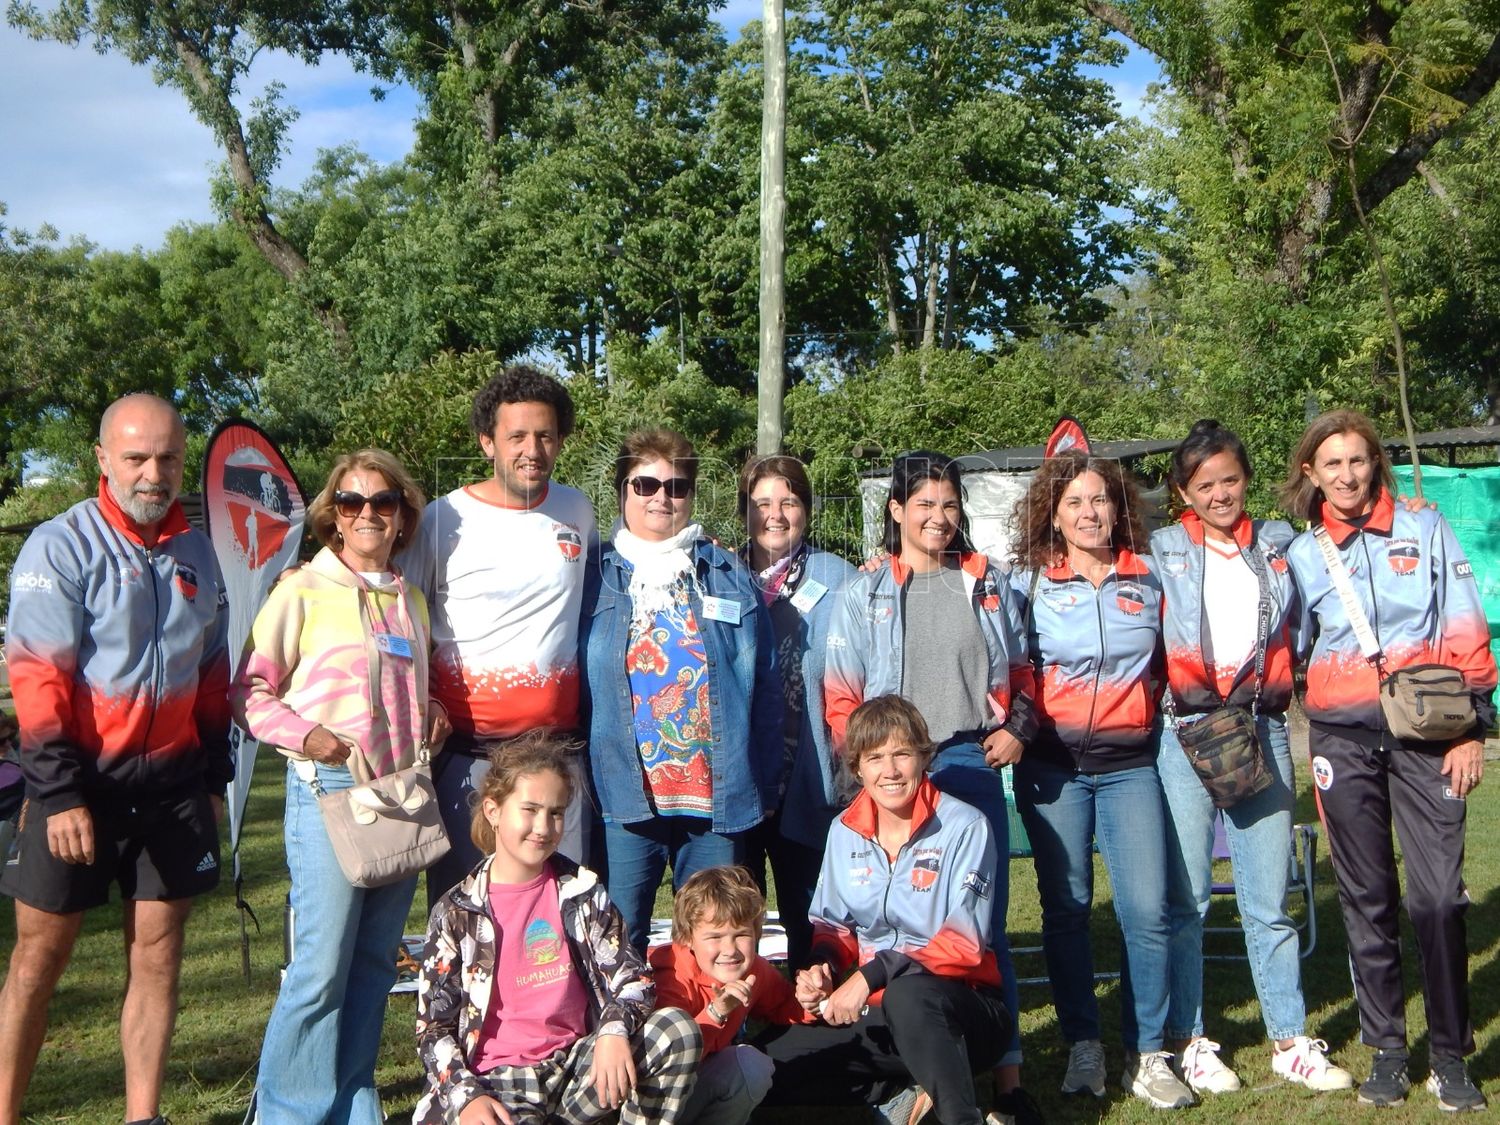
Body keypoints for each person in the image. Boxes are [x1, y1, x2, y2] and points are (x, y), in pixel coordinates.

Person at [0, 393, 231, 1125]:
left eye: (167, 457)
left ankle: (143, 1116)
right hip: (79, 789)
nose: (152, 472)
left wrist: (216, 778)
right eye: (136, 457)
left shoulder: (198, 550)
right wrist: (60, 794)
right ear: (103, 459)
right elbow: (36, 680)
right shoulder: (59, 545)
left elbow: (212, 670)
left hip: (172, 788)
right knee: (39, 961)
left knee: (158, 954)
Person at [1280, 409, 1496, 1112]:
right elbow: (1294, 642)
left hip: (1430, 737)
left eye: (1357, 460)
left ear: (1376, 463)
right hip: (1340, 743)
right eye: (1331, 463)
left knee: (1436, 899)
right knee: (1366, 897)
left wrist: (1474, 729)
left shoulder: (1425, 526)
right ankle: (1388, 1049)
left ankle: (1449, 1055)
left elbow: (1464, 621)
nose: (1346, 475)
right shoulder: (1303, 552)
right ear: (1310, 472)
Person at [230, 448, 450, 1122]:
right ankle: (288, 1111)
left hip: (400, 792)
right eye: (351, 502)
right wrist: (307, 736)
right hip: (329, 788)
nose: (367, 514)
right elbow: (249, 692)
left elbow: (418, 683)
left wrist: (433, 712)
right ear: (333, 514)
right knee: (319, 969)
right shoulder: (301, 588)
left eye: (382, 501)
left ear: (402, 515)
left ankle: (353, 1101)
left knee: (375, 967)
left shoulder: (408, 597)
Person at [822, 450, 1038, 1123]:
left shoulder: (989, 583)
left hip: (968, 759)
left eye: (949, 505)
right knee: (891, 915)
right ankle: (918, 1061)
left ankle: (1008, 1083)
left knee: (980, 926)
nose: (939, 517)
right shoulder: (864, 593)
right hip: (892, 766)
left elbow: (1026, 666)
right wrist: (867, 764)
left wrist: (1019, 729)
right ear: (896, 510)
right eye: (925, 505)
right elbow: (841, 695)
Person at [1152, 420, 1353, 1095]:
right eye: (1204, 484)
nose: (1220, 493)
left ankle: (1290, 1039)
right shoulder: (1160, 550)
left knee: (1268, 897)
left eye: (1230, 479)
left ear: (1246, 478)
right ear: (1183, 489)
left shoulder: (1279, 545)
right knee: (1188, 901)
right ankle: (1191, 1038)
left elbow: (1311, 619)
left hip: (1262, 728)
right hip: (1183, 737)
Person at [1008, 449, 1193, 1110]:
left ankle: (1148, 1054)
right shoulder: (1027, 581)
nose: (1090, 513)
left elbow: (1176, 659)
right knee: (1067, 909)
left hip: (1129, 767)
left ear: (1120, 507)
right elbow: (1016, 665)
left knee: (1147, 910)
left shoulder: (1150, 576)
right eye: (1075, 503)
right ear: (1053, 516)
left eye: (1100, 500)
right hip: (1052, 769)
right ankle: (1084, 1043)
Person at [413, 731, 702, 1124]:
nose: (543, 827)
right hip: (499, 1082)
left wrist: (613, 1031)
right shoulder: (455, 912)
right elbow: (433, 1028)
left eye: (556, 812)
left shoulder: (582, 892)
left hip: (577, 1067)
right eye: (529, 810)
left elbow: (635, 978)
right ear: (494, 810)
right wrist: (466, 1097)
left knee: (676, 1032)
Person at [756, 695, 1011, 1125]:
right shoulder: (842, 831)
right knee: (762, 1068)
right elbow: (832, 926)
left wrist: (872, 974)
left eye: (901, 755)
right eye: (875, 758)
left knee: (909, 996)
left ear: (923, 759)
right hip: (869, 1010)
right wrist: (821, 967)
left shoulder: (966, 826)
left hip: (961, 1009)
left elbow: (965, 944)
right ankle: (898, 1093)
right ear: (857, 768)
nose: (890, 771)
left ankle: (958, 1115)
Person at [400, 364, 599, 907]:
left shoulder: (578, 511)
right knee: (468, 912)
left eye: (545, 435)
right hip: (468, 756)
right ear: (487, 441)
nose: (532, 449)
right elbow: (395, 610)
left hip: (559, 752)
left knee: (565, 917)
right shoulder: (444, 519)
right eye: (516, 436)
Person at [580, 428, 782, 953]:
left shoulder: (727, 574)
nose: (660, 498)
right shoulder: (590, 577)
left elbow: (763, 686)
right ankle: (622, 1035)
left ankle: (708, 1036)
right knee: (619, 939)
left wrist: (763, 781)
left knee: (715, 943)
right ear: (623, 490)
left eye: (676, 486)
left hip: (719, 794)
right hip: (625, 794)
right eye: (645, 484)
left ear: (691, 495)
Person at [736, 454, 856, 968]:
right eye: (762, 502)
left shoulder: (842, 580)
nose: (776, 514)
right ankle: (739, 1029)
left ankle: (818, 1021)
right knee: (734, 914)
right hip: (738, 777)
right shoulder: (719, 575)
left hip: (810, 779)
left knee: (810, 912)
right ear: (744, 511)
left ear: (807, 509)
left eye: (789, 501)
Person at [648, 865, 815, 1125]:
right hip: (650, 1099)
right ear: (688, 938)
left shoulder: (754, 969)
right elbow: (662, 1061)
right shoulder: (671, 979)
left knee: (750, 1066)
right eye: (714, 937)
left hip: (696, 1085)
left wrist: (811, 999)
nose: (730, 949)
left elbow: (783, 1004)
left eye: (741, 935)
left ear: (757, 933)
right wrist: (716, 1012)